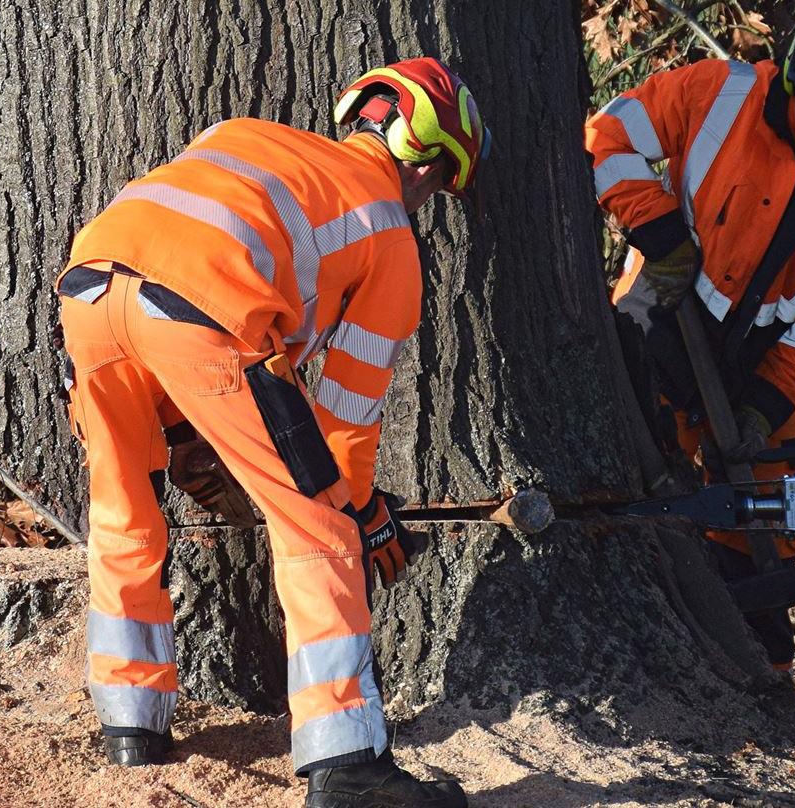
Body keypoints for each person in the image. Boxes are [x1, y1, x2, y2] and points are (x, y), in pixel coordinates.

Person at [54, 58, 490, 808]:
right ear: (424, 161)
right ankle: (347, 759)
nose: (428, 199)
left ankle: (132, 726)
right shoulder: (388, 234)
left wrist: (187, 431)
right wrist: (360, 510)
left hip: (89, 288)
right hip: (205, 311)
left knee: (125, 507)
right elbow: (346, 422)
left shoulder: (244, 134)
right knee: (316, 526)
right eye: (438, 184)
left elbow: (172, 271)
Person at [584, 0, 795, 668]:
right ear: (792, 76)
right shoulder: (716, 93)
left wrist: (763, 410)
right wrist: (658, 229)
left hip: (757, 363)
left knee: (774, 514)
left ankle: (759, 660)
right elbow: (603, 137)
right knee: (633, 474)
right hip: (655, 312)